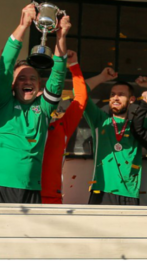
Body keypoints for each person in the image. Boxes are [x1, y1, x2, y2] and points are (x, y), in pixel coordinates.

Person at [0, 4, 70, 204]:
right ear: (12, 84)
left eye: (32, 78)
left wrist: (61, 36)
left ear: (39, 85)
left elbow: (57, 75)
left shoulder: (44, 108)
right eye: (21, 78)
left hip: (31, 189)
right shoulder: (1, 102)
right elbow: (5, 65)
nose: (27, 81)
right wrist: (23, 26)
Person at [83, 70, 147, 206]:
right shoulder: (99, 121)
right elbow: (79, 92)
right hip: (101, 191)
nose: (115, 98)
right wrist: (101, 77)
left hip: (129, 193)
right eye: (113, 94)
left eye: (121, 95)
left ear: (131, 100)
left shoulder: (139, 126)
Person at [40, 50, 87, 204]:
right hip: (21, 192)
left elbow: (80, 98)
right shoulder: (19, 120)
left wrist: (73, 66)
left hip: (51, 196)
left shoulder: (61, 126)